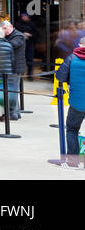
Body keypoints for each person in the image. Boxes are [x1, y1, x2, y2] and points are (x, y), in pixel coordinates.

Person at [53, 32, 85, 167]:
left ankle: (73, 162)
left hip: (77, 103)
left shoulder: (72, 58)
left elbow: (60, 76)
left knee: (72, 129)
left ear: (80, 44)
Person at [0, 19, 26, 122]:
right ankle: (16, 113)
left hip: (15, 68)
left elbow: (11, 45)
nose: (4, 31)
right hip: (11, 67)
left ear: (11, 26)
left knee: (11, 91)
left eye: (5, 28)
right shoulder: (9, 36)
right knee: (12, 90)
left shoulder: (18, 36)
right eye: (2, 29)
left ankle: (12, 114)